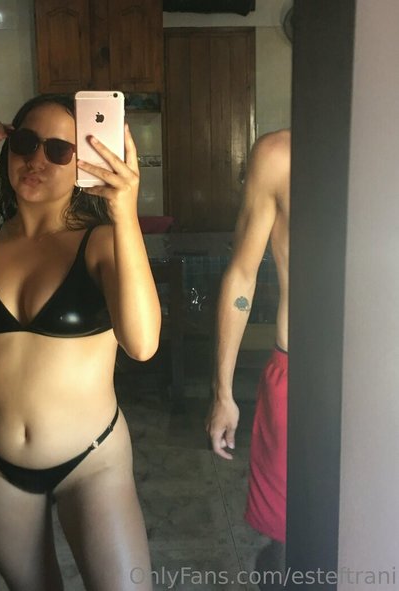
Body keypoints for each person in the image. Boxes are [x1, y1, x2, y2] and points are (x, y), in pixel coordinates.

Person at [0, 96, 161, 591]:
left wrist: (125, 214)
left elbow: (143, 344)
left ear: (83, 161)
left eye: (59, 150)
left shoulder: (101, 243)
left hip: (92, 462)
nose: (36, 159)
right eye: (25, 142)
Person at [206, 129, 290, 589]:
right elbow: (242, 274)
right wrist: (223, 391)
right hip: (298, 376)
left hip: (383, 380)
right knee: (289, 545)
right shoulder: (279, 155)